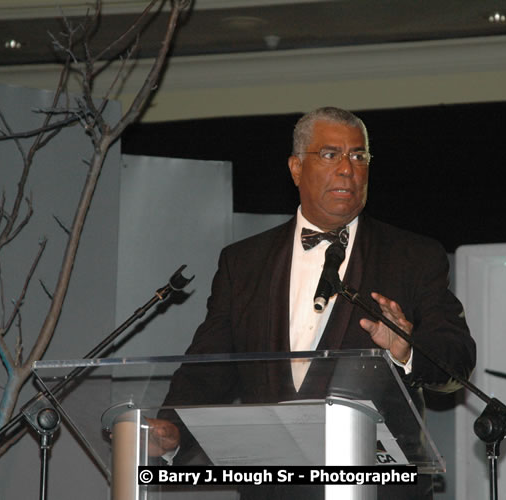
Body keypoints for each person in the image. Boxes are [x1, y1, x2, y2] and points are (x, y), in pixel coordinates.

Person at [147, 107, 475, 498]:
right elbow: (211, 366)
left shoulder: (412, 256)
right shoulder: (244, 262)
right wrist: (172, 428)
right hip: (274, 489)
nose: (347, 169)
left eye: (358, 156)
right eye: (330, 154)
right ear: (296, 168)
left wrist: (407, 350)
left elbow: (457, 359)